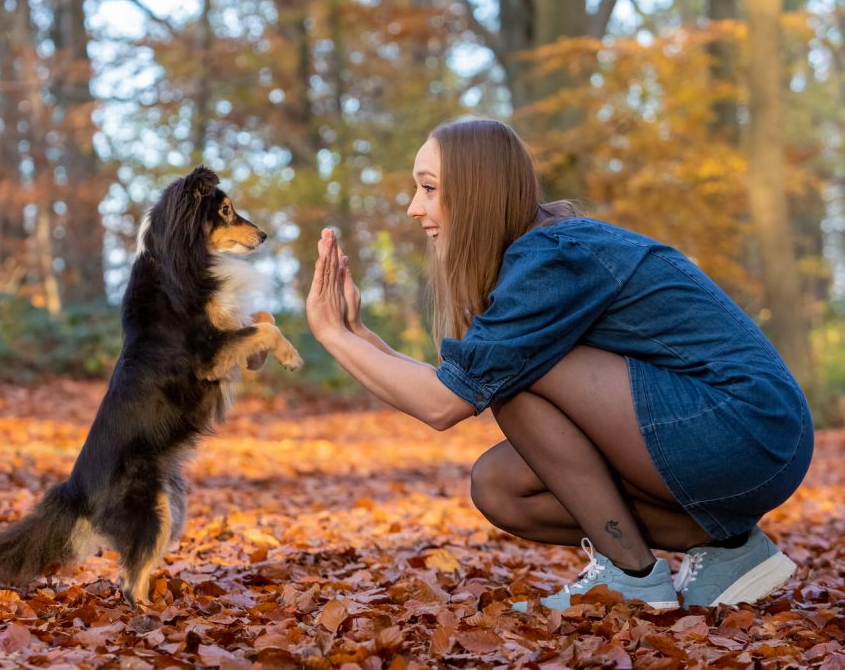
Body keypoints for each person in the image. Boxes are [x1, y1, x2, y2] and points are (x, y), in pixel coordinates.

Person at [304, 117, 813, 611]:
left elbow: (443, 404)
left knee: (517, 373)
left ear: (478, 190)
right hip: (731, 433)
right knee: (503, 487)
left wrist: (330, 334)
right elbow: (451, 383)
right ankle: (727, 549)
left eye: (430, 188)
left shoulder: (554, 255)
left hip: (747, 428)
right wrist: (359, 335)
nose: (415, 208)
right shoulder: (543, 252)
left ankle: (632, 578)